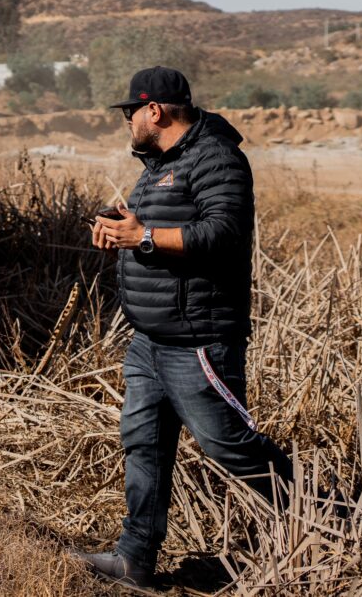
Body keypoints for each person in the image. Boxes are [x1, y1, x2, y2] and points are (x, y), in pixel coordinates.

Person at [74, 66, 293, 588]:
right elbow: (150, 230)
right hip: (149, 342)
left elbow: (224, 232)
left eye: (130, 112)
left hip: (197, 342)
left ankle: (333, 523)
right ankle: (135, 559)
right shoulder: (158, 164)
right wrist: (119, 231)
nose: (126, 122)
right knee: (143, 445)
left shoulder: (217, 156)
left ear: (156, 111)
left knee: (229, 446)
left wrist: (143, 235)